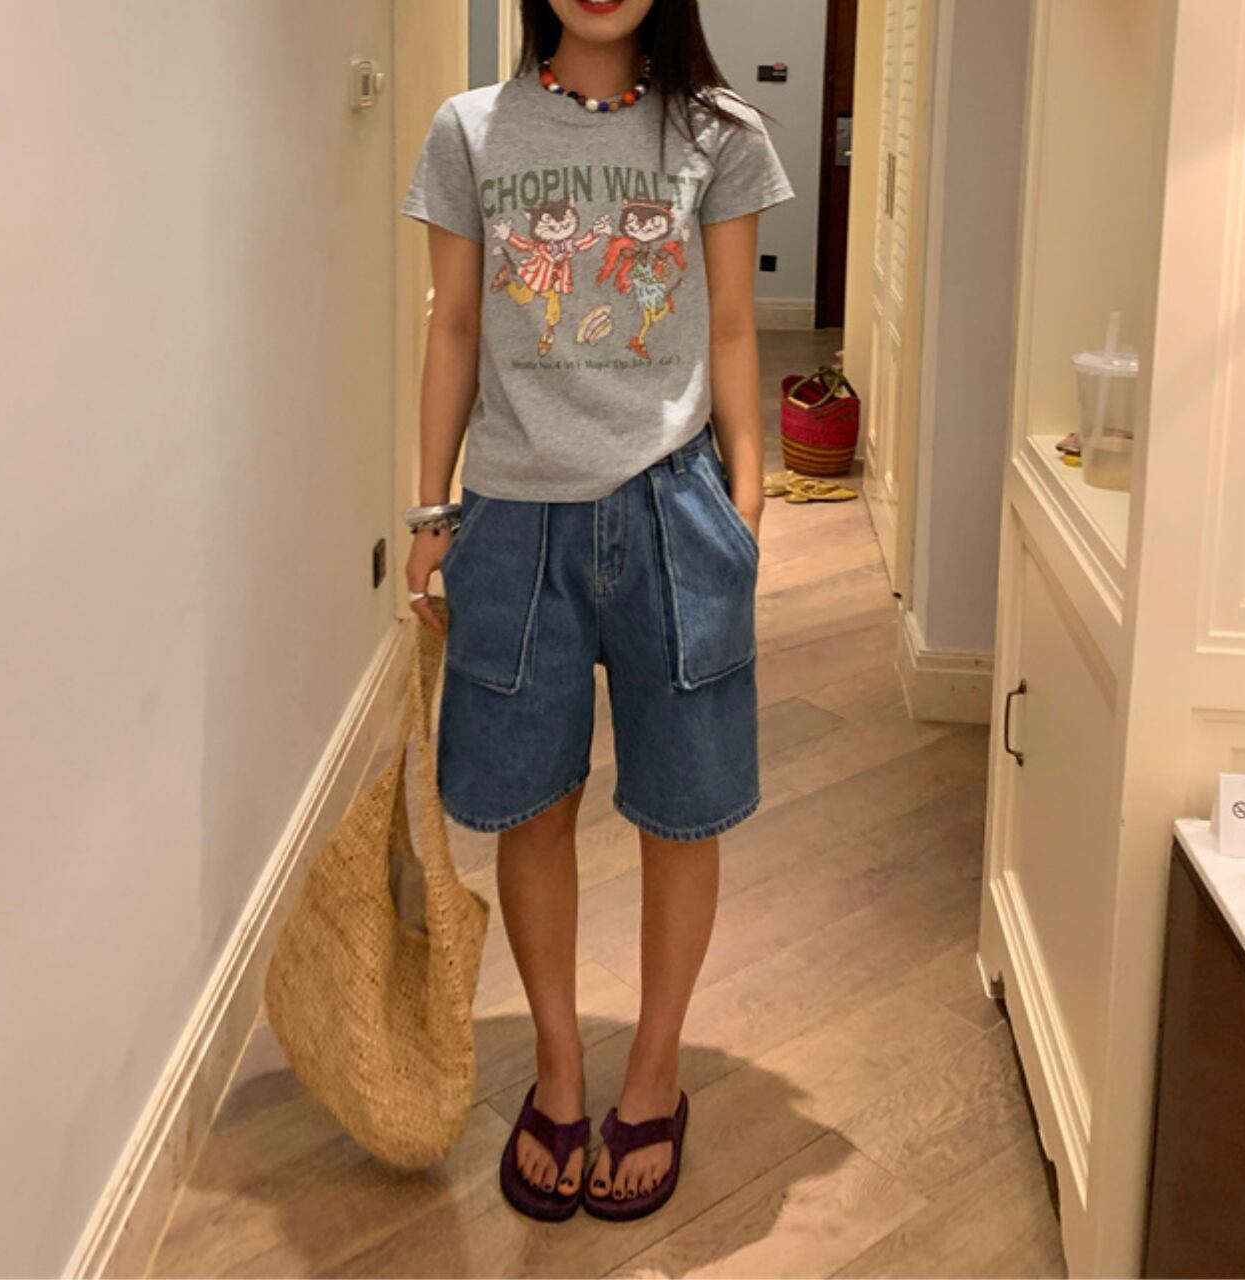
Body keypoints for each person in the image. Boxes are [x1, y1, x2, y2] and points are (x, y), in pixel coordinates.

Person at [400, 0, 794, 1223]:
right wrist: (431, 509)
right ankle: (560, 1066)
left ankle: (656, 1069)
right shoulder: (468, 130)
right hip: (514, 519)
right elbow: (453, 324)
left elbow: (734, 328)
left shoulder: (718, 131)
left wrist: (744, 502)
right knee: (532, 805)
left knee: (683, 807)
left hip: (672, 509)